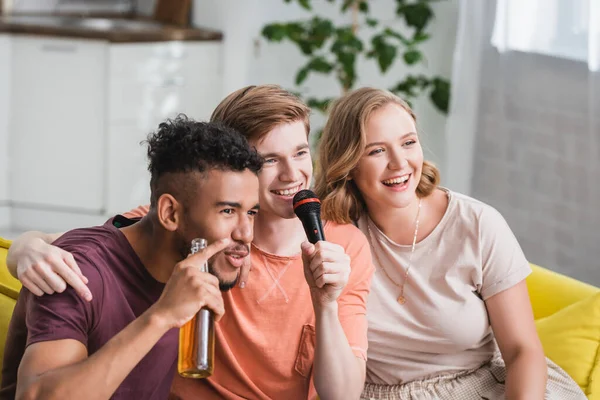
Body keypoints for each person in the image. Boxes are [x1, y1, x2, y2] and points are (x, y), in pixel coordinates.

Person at [5, 85, 374, 400]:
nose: (292, 174)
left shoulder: (336, 247)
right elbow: (84, 246)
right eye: (230, 210)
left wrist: (325, 301)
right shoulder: (165, 236)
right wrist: (25, 247)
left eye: (300, 151)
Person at [314, 87, 586, 399]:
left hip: (486, 387)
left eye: (408, 143)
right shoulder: (328, 237)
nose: (399, 163)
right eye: (376, 151)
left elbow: (522, 351)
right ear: (347, 163)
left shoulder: (478, 224)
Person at [0, 117, 263, 400]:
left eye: (251, 213)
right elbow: (36, 396)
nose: (246, 234)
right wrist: (162, 316)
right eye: (227, 212)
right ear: (170, 214)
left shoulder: (198, 261)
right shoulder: (78, 268)